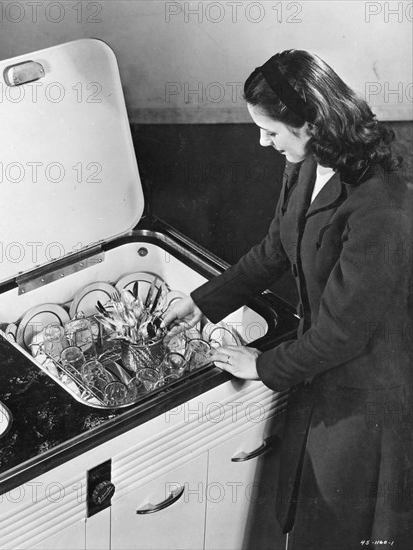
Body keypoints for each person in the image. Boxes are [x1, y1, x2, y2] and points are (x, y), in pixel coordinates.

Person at [162, 50, 412, 549]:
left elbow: (342, 333)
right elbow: (279, 244)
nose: (262, 141)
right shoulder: (307, 161)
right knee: (305, 522)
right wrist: (204, 300)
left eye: (271, 131)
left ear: (312, 122)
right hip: (320, 376)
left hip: (367, 399)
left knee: (341, 532)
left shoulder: (383, 205)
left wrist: (264, 365)